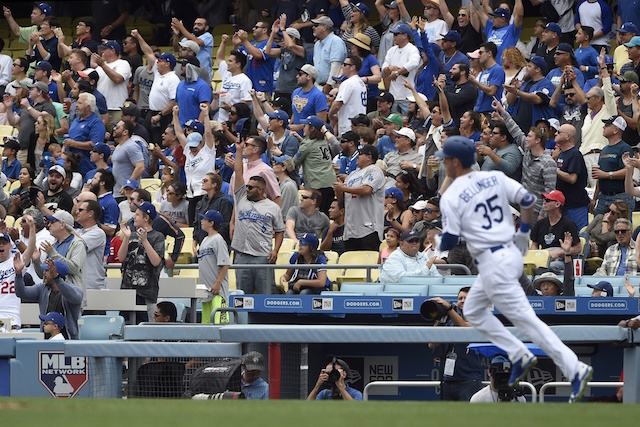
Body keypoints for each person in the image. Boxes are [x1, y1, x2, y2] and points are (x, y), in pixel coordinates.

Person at [435, 135, 593, 403]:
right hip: (505, 256)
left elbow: (450, 240)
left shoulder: (451, 197)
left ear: (454, 162)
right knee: (472, 308)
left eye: (446, 161)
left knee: (525, 320)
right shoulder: (494, 178)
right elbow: (529, 201)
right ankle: (521, 354)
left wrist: (438, 240)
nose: (444, 165)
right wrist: (523, 235)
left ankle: (574, 368)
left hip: (494, 261)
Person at [231, 139, 285, 295]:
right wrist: (239, 151)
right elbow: (239, 174)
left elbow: (280, 230)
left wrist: (275, 250)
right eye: (246, 187)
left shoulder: (272, 207)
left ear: (261, 190)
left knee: (266, 293)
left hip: (262, 255)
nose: (246, 189)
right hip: (241, 254)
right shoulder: (241, 198)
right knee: (242, 294)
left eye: (250, 187)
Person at [494, 99, 556, 219]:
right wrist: (502, 110)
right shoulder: (528, 151)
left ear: (537, 140)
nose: (526, 138)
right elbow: (515, 130)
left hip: (538, 212)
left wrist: (543, 215)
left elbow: (550, 192)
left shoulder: (548, 163)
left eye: (529, 136)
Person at [427, 286, 483, 401]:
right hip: (449, 380)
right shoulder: (450, 322)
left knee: (468, 416)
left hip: (469, 380)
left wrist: (448, 308)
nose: (462, 301)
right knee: (448, 417)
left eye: (466, 298)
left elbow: (463, 327)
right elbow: (432, 344)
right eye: (460, 298)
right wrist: (439, 319)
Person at [119, 201, 166, 323]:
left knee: (146, 329)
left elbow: (156, 262)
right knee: (126, 327)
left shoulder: (158, 237)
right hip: (127, 291)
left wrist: (144, 240)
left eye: (138, 215)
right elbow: (121, 258)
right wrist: (126, 239)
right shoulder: (132, 235)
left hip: (147, 293)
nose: (134, 217)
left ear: (146, 218)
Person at [334, 144, 385, 251]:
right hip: (350, 230)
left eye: (360, 154)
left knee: (367, 264)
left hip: (368, 229)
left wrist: (343, 188)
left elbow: (366, 190)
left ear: (369, 157)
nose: (357, 156)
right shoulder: (352, 174)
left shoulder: (374, 170)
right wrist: (338, 189)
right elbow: (341, 199)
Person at [590, 116, 635, 216]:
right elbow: (599, 175)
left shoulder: (625, 148)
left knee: (621, 227)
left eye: (607, 125)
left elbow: (628, 171)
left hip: (620, 196)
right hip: (603, 197)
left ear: (616, 130)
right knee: (597, 228)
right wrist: (594, 198)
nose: (603, 127)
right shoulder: (605, 149)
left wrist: (606, 175)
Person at [294, 116, 337, 214]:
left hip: (317, 186)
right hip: (330, 184)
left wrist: (279, 154)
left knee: (316, 216)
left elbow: (294, 162)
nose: (303, 127)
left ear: (312, 128)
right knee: (326, 215)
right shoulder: (323, 141)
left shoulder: (307, 145)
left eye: (306, 125)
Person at [196, 210, 230, 324]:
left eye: (204, 219)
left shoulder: (218, 240)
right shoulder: (205, 240)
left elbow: (225, 264)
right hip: (206, 291)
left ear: (211, 223)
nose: (202, 221)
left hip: (217, 291)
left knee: (219, 324)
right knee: (206, 325)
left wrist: (218, 284)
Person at [381, 23, 421, 115]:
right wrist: (390, 68)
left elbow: (414, 62)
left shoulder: (412, 49)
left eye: (396, 34)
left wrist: (397, 72)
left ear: (404, 35)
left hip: (407, 96)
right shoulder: (392, 50)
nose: (393, 36)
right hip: (393, 96)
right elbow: (384, 68)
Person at [64, 92, 106, 176]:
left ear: (88, 107)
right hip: (70, 168)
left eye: (79, 103)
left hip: (85, 168)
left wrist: (74, 144)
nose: (76, 105)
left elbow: (95, 144)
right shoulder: (76, 120)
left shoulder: (96, 123)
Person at [91, 41, 132, 126]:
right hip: (100, 108)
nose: (101, 51)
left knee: (116, 135)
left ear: (112, 50)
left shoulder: (123, 63)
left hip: (116, 108)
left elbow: (117, 79)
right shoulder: (99, 67)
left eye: (104, 49)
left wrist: (102, 65)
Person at [471, 0, 524, 65]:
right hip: (489, 68)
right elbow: (479, 11)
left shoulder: (511, 30)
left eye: (495, 17)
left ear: (502, 19)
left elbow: (520, 15)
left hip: (504, 68)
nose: (493, 19)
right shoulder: (490, 27)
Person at [328, 55, 367, 136]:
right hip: (360, 124)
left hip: (349, 125)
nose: (342, 66)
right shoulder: (361, 82)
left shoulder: (348, 83)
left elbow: (336, 106)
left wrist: (330, 115)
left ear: (352, 67)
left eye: (345, 64)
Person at [75, 199, 107, 291]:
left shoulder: (98, 233)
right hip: (77, 284)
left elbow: (77, 244)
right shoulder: (78, 231)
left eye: (80, 210)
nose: (77, 212)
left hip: (91, 285)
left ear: (90, 213)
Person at [311, 16, 347, 94]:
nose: (313, 27)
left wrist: (329, 84)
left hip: (333, 88)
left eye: (316, 25)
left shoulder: (336, 41)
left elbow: (336, 65)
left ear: (324, 27)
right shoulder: (317, 44)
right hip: (318, 86)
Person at [290, 64, 328, 132]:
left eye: (300, 74)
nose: (297, 76)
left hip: (310, 138)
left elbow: (321, 122)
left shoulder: (319, 96)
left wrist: (300, 127)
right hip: (294, 136)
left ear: (309, 77)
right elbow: (295, 112)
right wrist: (290, 125)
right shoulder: (295, 92)